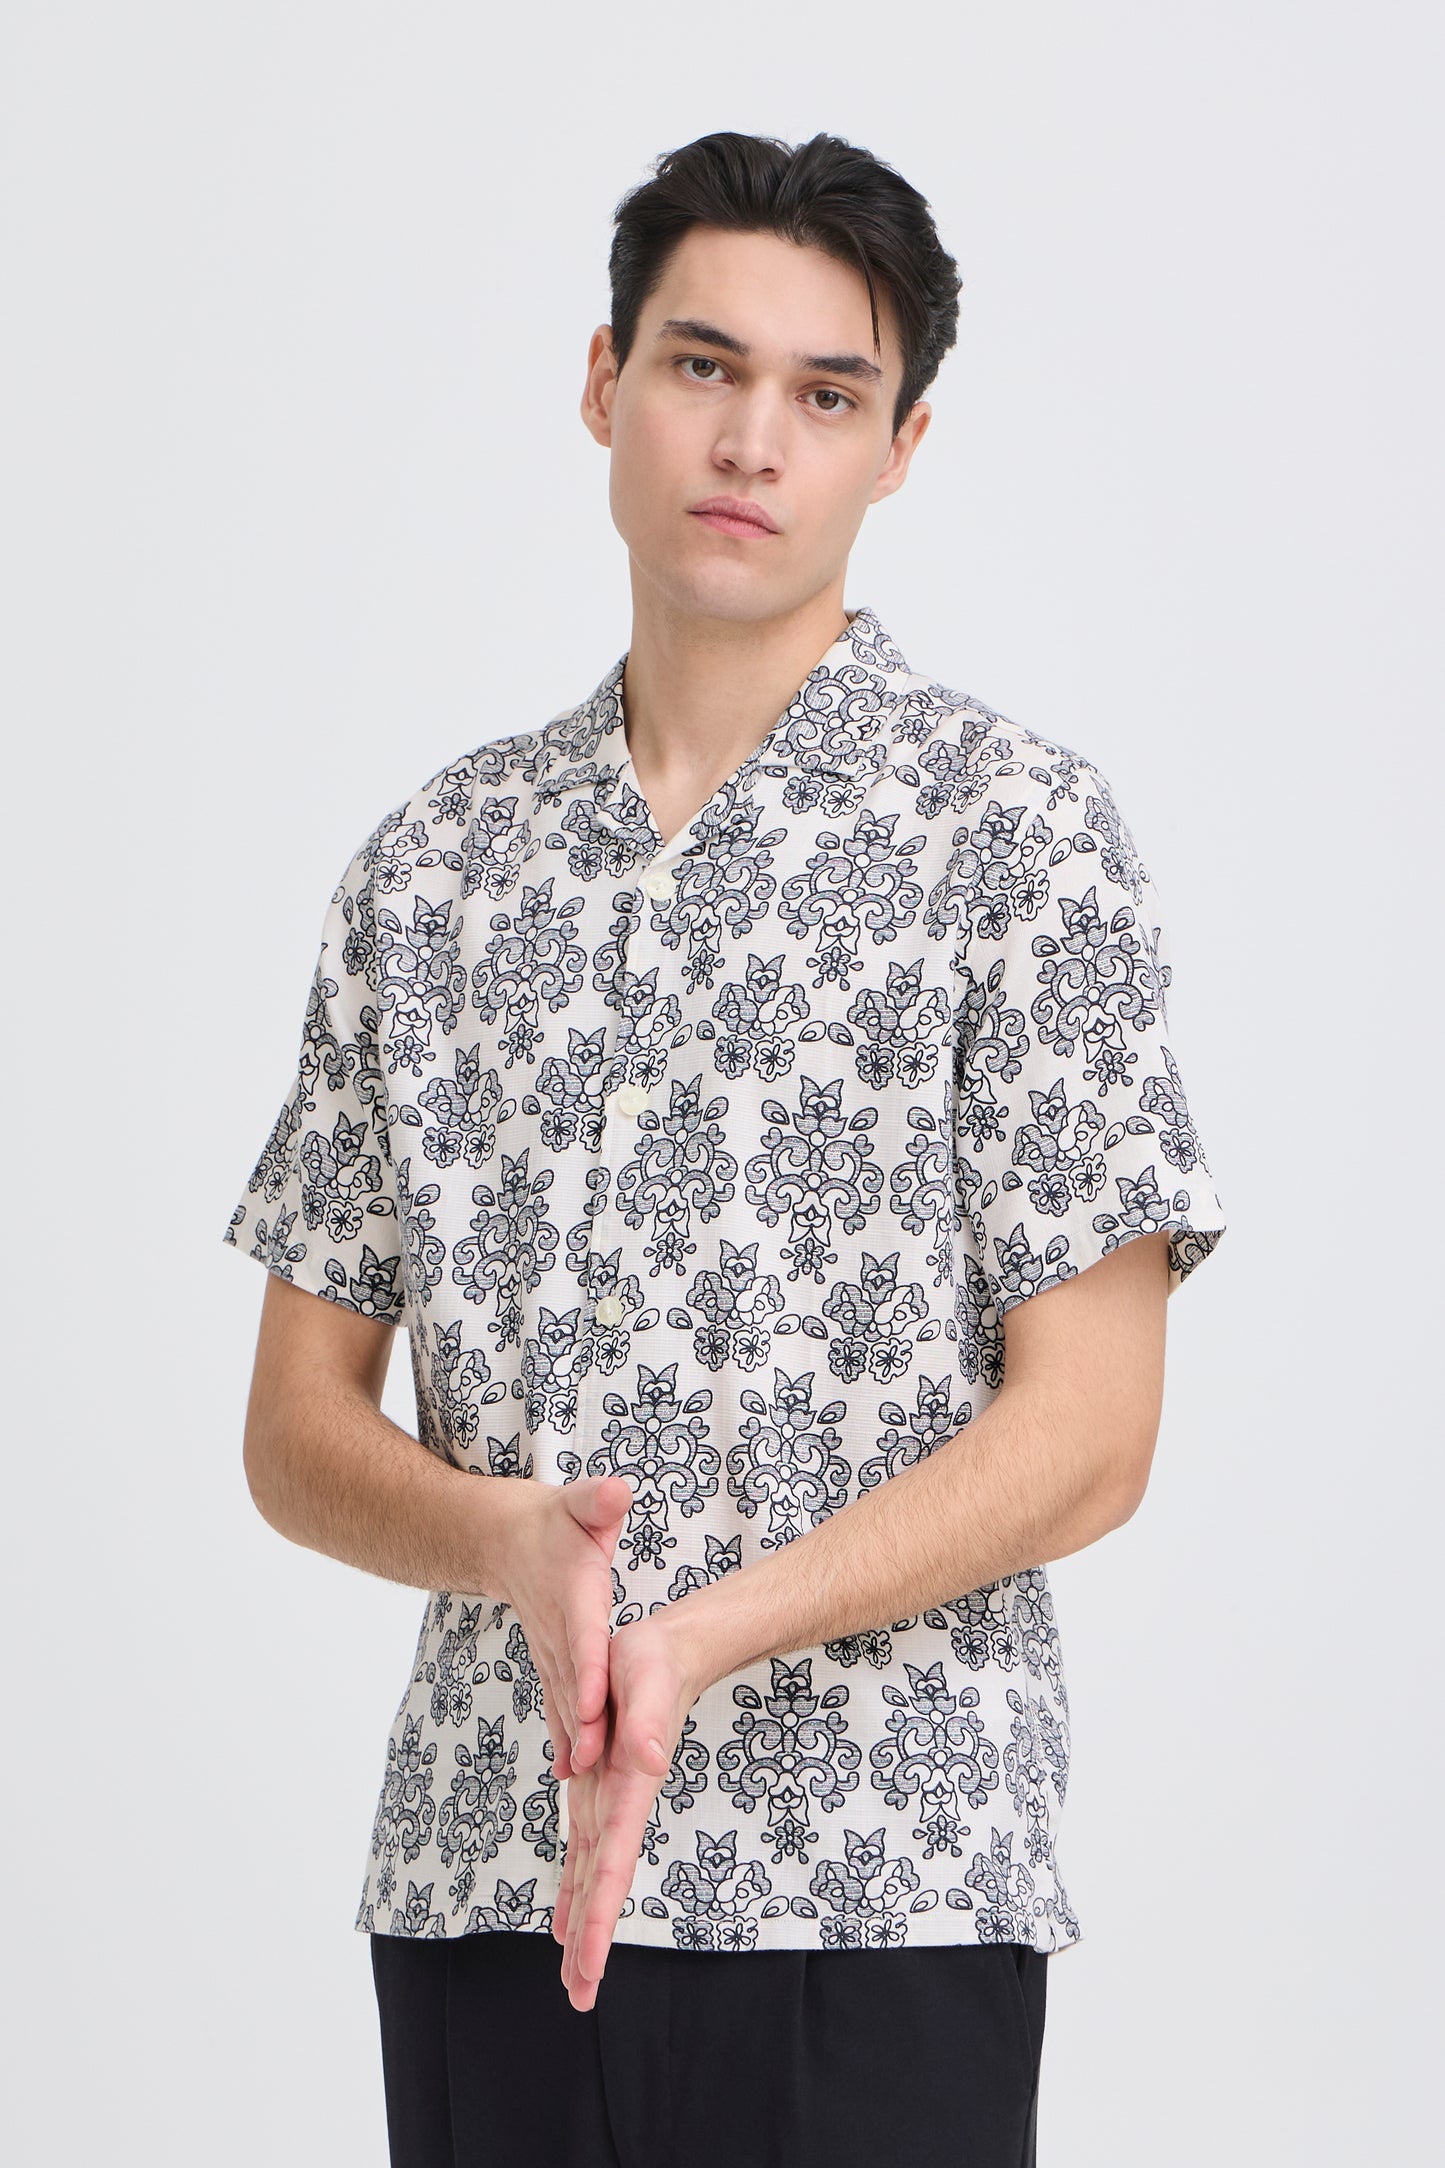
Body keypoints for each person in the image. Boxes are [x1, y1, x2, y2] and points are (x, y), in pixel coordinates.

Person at [223, 129, 1229, 2168]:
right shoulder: (430, 871)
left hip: (875, 1880)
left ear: (900, 446)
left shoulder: (1011, 839)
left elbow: (1096, 1428)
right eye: (701, 366)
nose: (751, 438)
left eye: (825, 393)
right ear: (604, 385)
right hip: (483, 1872)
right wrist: (504, 1539)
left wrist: (701, 1634)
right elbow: (293, 1425)